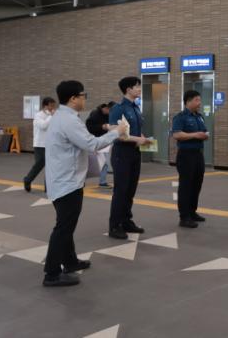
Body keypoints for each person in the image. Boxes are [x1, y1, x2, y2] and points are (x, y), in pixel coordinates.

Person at [43, 81, 127, 287]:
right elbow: (91, 144)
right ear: (73, 98)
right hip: (67, 183)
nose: (84, 99)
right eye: (83, 95)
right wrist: (117, 131)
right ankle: (52, 273)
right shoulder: (68, 120)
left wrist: (110, 130)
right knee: (64, 227)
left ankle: (70, 262)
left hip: (64, 179)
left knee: (66, 225)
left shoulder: (64, 117)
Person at [107, 77, 152, 239]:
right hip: (122, 153)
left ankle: (126, 221)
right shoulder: (118, 108)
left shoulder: (135, 107)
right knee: (121, 190)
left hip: (134, 152)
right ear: (128, 89)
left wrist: (142, 137)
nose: (139, 89)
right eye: (136, 86)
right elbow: (117, 134)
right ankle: (115, 226)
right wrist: (138, 139)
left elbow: (134, 130)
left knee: (131, 189)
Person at [172, 90, 209, 228]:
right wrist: (195, 135)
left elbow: (203, 132)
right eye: (196, 100)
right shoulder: (180, 117)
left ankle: (192, 212)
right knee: (186, 186)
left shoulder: (199, 117)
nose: (199, 103)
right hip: (186, 155)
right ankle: (184, 217)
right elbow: (176, 135)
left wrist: (204, 135)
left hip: (198, 154)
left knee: (196, 184)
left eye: (200, 100)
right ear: (188, 101)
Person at [23, 97, 56, 192]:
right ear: (45, 105)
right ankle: (27, 180)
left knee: (50, 166)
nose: (53, 107)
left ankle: (48, 187)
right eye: (51, 105)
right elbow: (43, 126)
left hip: (51, 144)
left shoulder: (52, 115)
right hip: (40, 144)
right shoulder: (38, 115)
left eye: (54, 105)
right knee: (39, 164)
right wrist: (51, 116)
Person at [86, 102, 116, 187]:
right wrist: (102, 127)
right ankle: (84, 180)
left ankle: (102, 182)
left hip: (103, 141)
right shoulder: (95, 114)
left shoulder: (107, 115)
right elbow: (89, 127)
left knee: (104, 162)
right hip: (95, 141)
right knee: (96, 162)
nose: (111, 114)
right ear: (106, 108)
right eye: (111, 111)